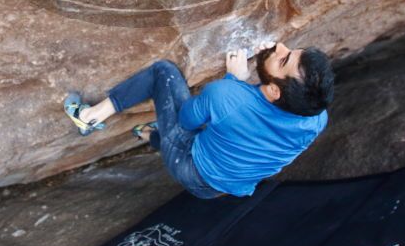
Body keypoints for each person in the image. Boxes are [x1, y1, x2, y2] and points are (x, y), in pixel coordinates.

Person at [63, 41, 335, 199]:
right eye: (290, 49)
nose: (280, 45)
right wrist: (264, 70)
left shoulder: (226, 95)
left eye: (283, 58)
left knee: (164, 72)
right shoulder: (316, 117)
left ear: (275, 91)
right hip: (224, 186)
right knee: (220, 127)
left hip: (190, 167)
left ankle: (88, 116)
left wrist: (233, 81)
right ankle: (152, 136)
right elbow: (249, 114)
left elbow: (187, 120)